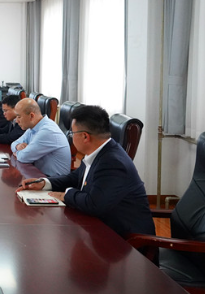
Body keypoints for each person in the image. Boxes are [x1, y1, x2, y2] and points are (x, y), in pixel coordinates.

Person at [18, 105, 155, 237]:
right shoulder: (98, 152)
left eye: (72, 133)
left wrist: (65, 195)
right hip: (101, 228)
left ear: (85, 137)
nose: (71, 137)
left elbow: (94, 204)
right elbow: (75, 178)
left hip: (125, 241)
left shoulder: (113, 162)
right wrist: (44, 183)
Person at [10, 98, 70, 177]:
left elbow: (24, 157)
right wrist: (18, 146)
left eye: (19, 117)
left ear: (31, 116)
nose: (16, 121)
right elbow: (14, 144)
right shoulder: (33, 127)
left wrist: (17, 153)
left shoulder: (47, 131)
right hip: (40, 175)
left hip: (53, 180)